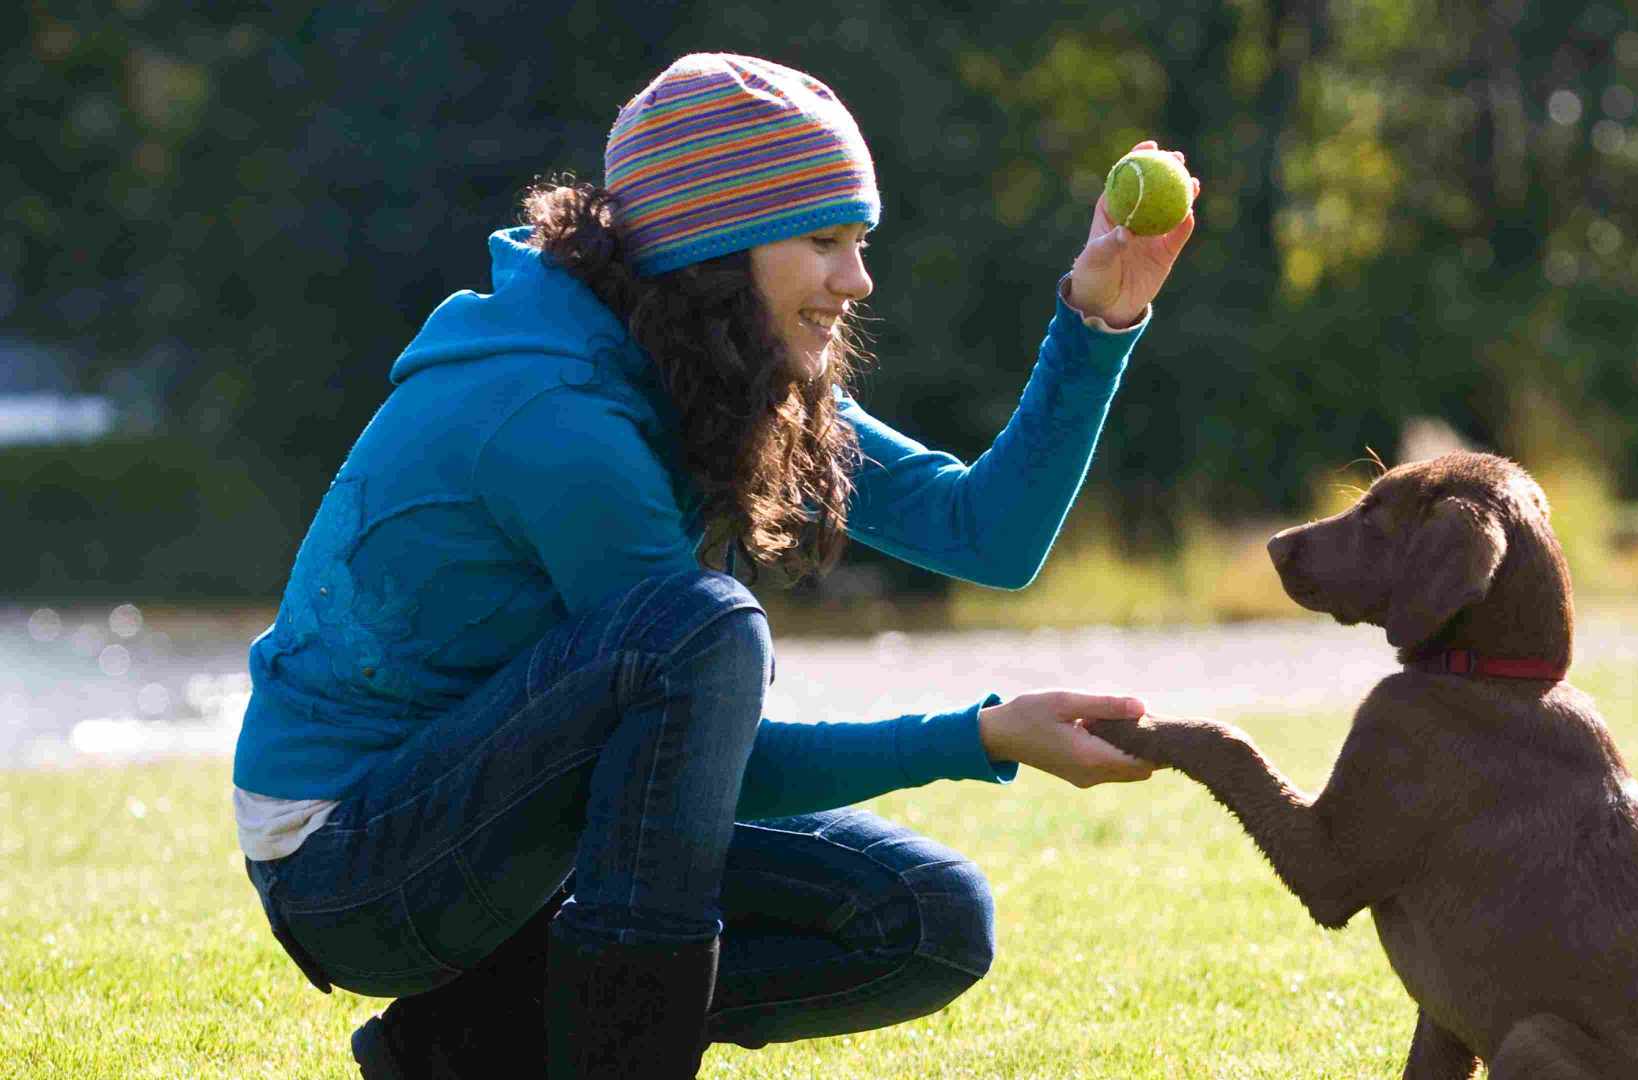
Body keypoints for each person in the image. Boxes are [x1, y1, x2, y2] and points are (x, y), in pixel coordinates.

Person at [232, 52, 1198, 1079]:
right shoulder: (556, 416)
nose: (857, 279)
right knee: (704, 625)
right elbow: (718, 754)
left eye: (859, 242)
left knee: (924, 918)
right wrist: (977, 735)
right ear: (716, 250)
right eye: (825, 242)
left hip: (512, 834)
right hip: (350, 867)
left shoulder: (721, 364)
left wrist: (1099, 316)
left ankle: (454, 1048)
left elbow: (984, 536)